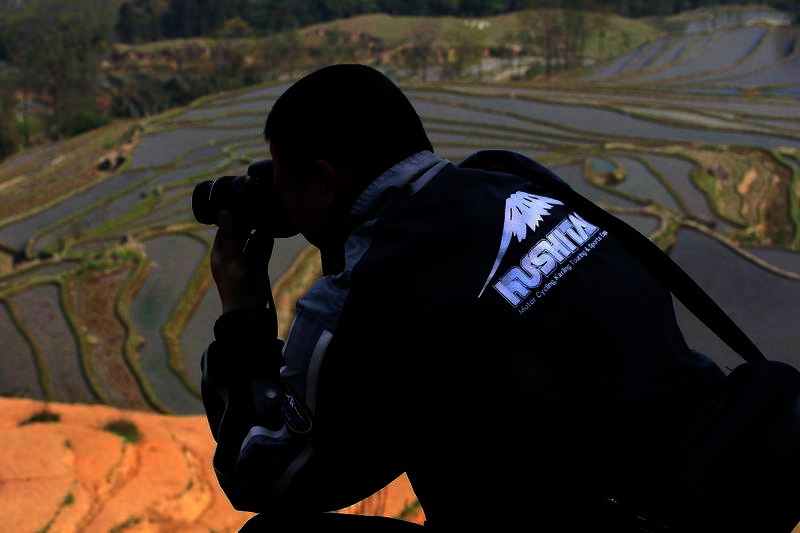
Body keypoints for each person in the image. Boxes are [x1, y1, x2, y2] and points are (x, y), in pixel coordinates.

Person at [201, 64, 727, 531]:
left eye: (287, 191)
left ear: (324, 181)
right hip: (714, 474)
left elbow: (260, 479)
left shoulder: (357, 307)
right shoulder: (515, 179)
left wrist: (243, 313)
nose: (285, 209)